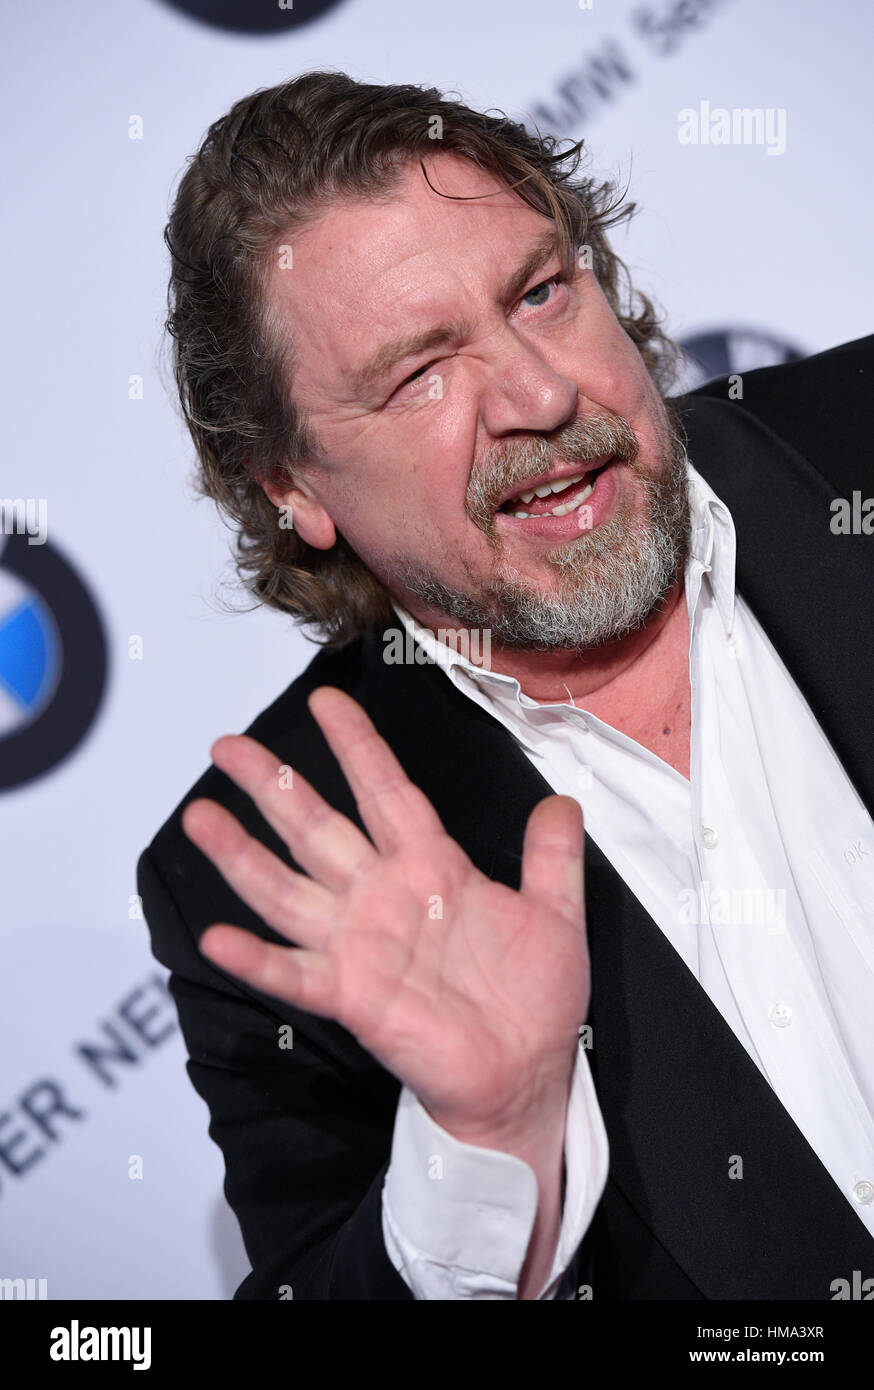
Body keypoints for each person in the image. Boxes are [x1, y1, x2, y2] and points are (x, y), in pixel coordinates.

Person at [138, 70, 874, 1300]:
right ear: (289, 486)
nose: (540, 394)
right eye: (418, 372)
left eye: (541, 291)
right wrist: (486, 1143)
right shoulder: (283, 873)